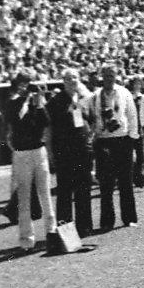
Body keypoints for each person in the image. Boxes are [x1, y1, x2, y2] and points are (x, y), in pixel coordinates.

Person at [4, 72, 51, 250]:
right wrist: (23, 99)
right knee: (24, 198)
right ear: (17, 85)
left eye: (27, 84)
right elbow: (13, 122)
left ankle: (51, 232)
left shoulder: (36, 103)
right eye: (22, 84)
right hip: (22, 153)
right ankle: (26, 239)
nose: (25, 87)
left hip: (38, 150)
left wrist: (38, 102)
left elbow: (45, 123)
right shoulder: (12, 103)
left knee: (45, 194)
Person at [91, 65, 140, 233]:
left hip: (122, 140)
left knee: (126, 181)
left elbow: (132, 116)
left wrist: (132, 140)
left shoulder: (124, 93)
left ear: (117, 76)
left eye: (112, 75)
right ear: (101, 77)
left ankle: (129, 218)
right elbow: (93, 118)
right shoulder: (96, 95)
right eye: (106, 75)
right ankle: (107, 221)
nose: (109, 79)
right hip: (104, 140)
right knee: (106, 183)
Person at [46, 71, 94, 239]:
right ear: (63, 82)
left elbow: (91, 121)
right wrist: (51, 153)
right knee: (65, 194)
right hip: (64, 154)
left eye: (75, 77)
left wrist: (89, 139)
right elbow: (49, 130)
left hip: (82, 152)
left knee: (83, 191)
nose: (72, 81)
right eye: (68, 78)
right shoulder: (55, 102)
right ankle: (67, 234)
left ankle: (85, 229)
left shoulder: (83, 99)